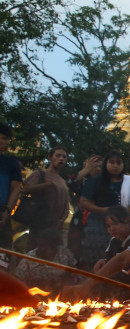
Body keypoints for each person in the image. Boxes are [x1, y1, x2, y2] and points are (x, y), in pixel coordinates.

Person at [79, 151, 130, 270]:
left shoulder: (129, 182)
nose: (115, 165)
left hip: (122, 226)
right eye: (111, 162)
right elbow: (84, 201)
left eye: (119, 162)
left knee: (116, 259)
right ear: (105, 164)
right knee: (94, 259)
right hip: (98, 225)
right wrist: (103, 210)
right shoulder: (95, 180)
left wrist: (129, 210)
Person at [19, 146, 70, 251]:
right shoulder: (40, 174)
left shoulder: (62, 181)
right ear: (50, 157)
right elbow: (24, 189)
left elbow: (66, 202)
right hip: (41, 221)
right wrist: (46, 185)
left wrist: (62, 220)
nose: (61, 159)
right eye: (58, 155)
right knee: (35, 251)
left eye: (64, 157)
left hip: (57, 224)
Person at [14, 228, 76, 293]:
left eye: (47, 246)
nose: (42, 249)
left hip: (61, 296)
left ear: (54, 246)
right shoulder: (29, 259)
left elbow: (74, 274)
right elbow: (18, 280)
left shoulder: (64, 254)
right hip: (35, 295)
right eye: (41, 246)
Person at [66, 154, 102, 260]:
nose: (97, 169)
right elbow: (68, 183)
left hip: (98, 221)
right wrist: (86, 169)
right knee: (74, 250)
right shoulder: (82, 180)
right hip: (79, 220)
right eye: (93, 165)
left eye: (100, 166)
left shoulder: (105, 182)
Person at [0, 122, 22, 269]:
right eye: (3, 138)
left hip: (2, 212)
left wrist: (7, 210)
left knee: (3, 256)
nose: (7, 142)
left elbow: (16, 189)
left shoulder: (11, 163)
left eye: (8, 139)